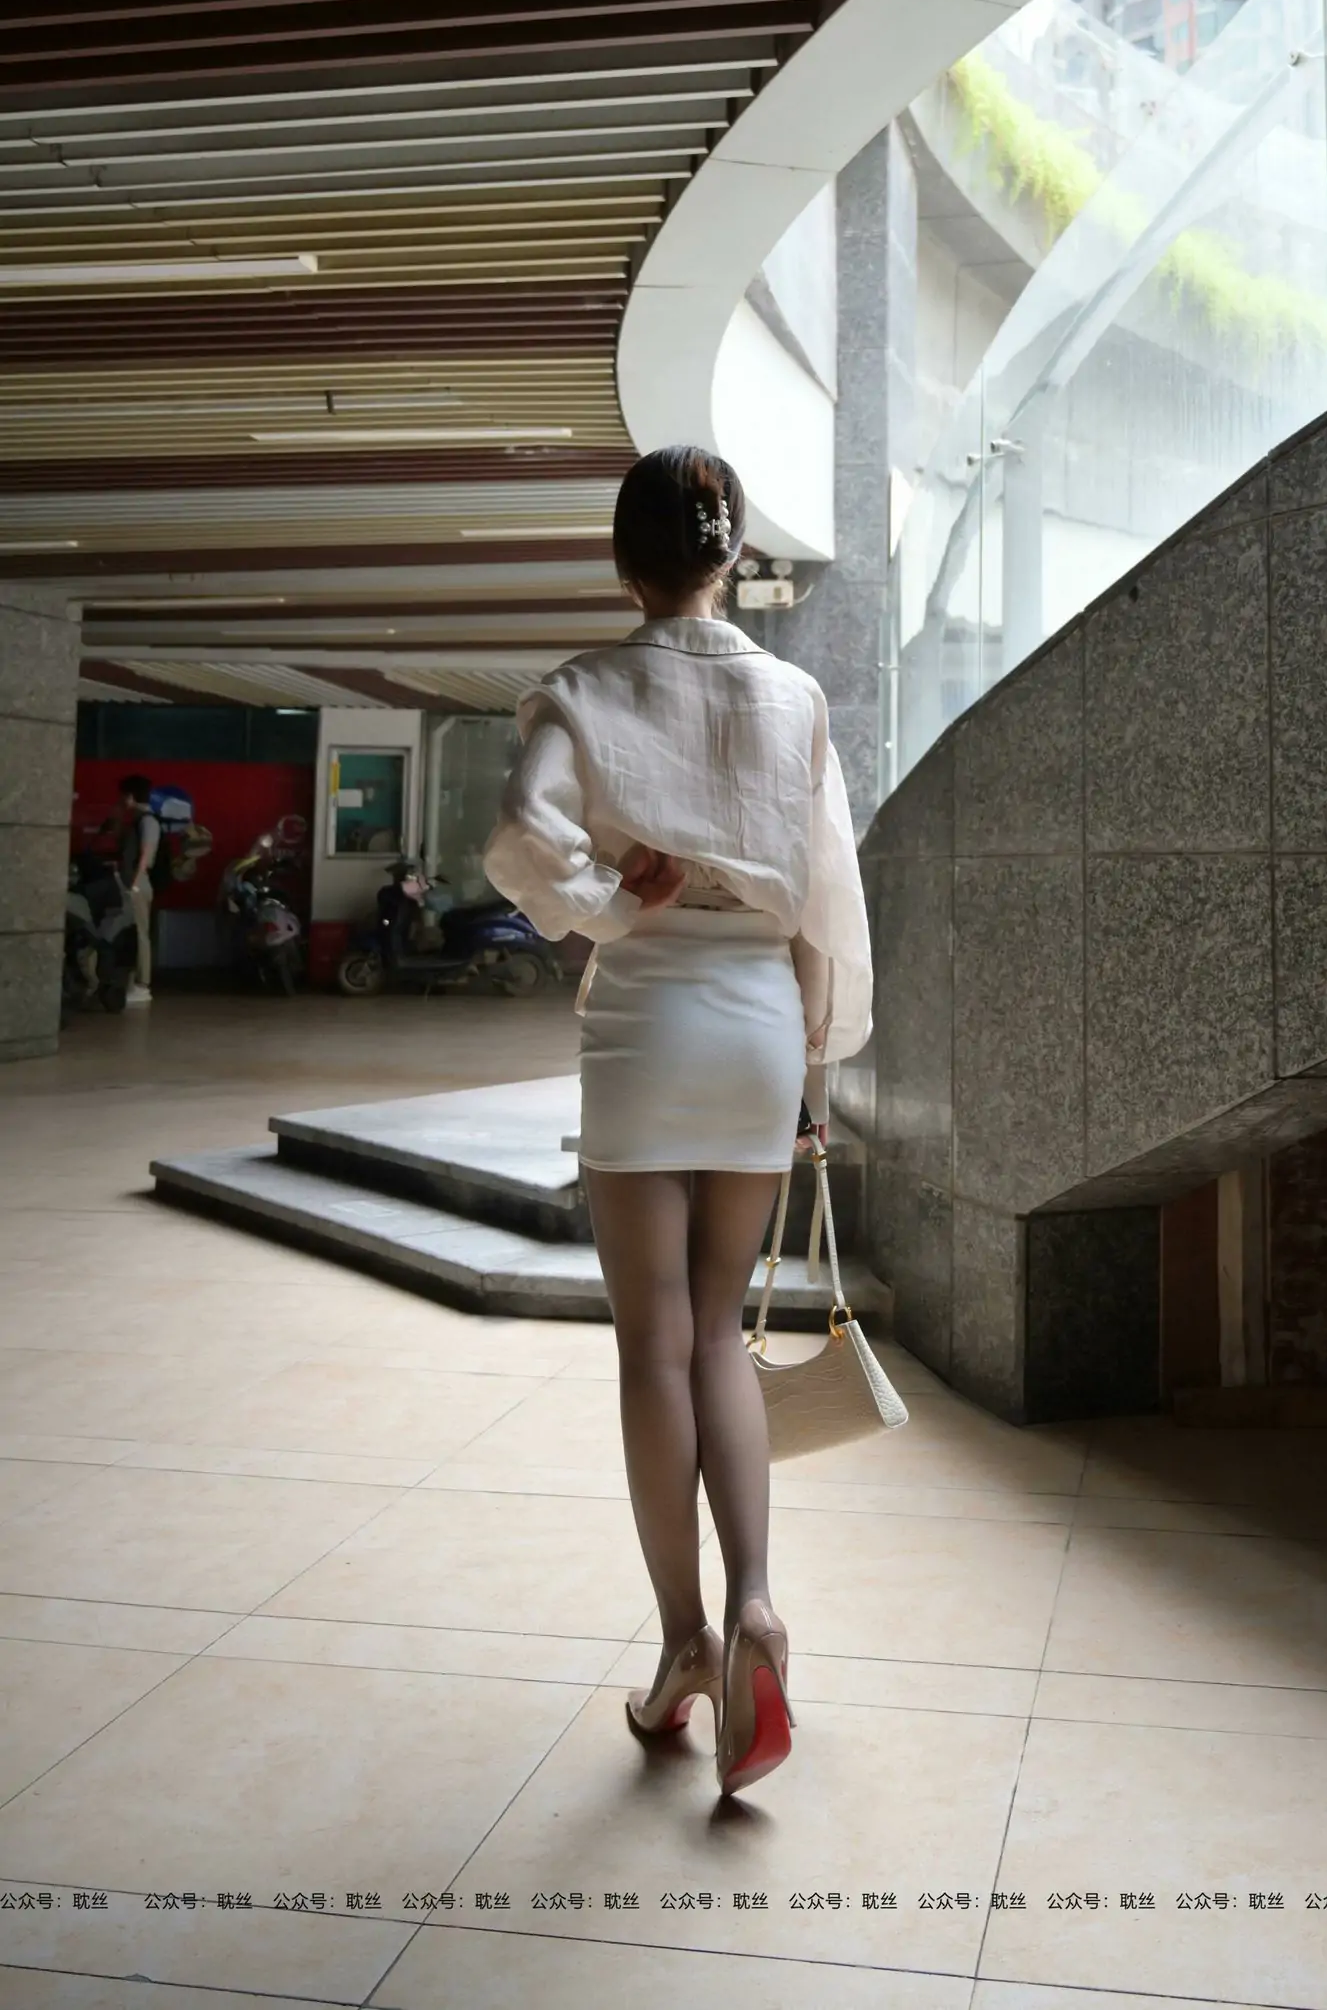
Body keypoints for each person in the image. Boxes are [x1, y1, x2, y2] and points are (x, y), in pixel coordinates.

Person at [482, 445, 871, 1798]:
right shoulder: (795, 696)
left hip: (645, 1020)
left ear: (623, 561)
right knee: (718, 1334)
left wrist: (606, 905)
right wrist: (812, 1064)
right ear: (733, 554)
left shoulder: (585, 690)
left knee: (651, 1342)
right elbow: (827, 895)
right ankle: (759, 1600)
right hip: (759, 1019)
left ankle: (684, 1645)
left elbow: (520, 838)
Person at [115, 773, 160, 1008]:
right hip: (133, 881)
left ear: (131, 796)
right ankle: (134, 982)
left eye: (124, 795)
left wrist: (134, 883)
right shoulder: (136, 820)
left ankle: (143, 985)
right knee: (133, 933)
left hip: (138, 883)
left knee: (141, 933)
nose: (121, 800)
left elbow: (146, 853)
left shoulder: (147, 821)